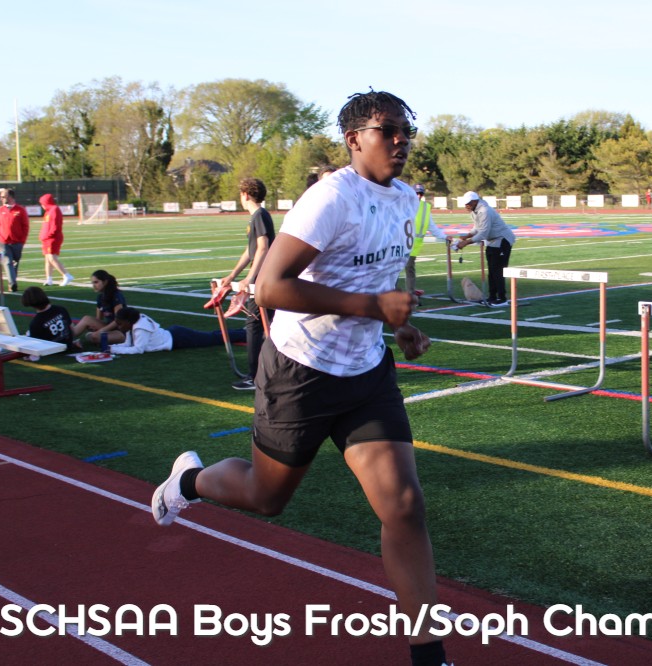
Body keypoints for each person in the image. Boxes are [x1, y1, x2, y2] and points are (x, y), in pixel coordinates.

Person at [152, 90, 450, 666]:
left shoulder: (405, 199)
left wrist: (400, 325)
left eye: (406, 132)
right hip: (301, 371)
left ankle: (429, 657)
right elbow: (269, 287)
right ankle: (188, 482)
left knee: (404, 506)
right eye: (387, 130)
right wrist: (373, 307)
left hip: (366, 372)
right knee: (267, 498)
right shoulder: (330, 198)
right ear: (354, 139)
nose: (401, 141)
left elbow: (380, 277)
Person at [217, 178, 276, 390]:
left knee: (255, 326)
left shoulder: (259, 215)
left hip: (262, 280)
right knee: (262, 325)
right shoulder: (257, 217)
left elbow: (263, 247)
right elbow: (250, 251)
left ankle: (255, 377)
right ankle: (264, 373)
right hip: (261, 277)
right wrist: (232, 275)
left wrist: (249, 278)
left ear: (245, 194)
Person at [454, 192, 516, 305]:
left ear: (474, 201)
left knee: (498, 270)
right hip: (492, 241)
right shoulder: (475, 211)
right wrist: (467, 236)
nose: (466, 206)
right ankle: (492, 296)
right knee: (491, 271)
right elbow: (477, 228)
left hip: (502, 240)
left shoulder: (485, 211)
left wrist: (466, 242)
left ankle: (502, 298)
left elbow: (483, 233)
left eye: (468, 203)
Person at [108, 306, 244, 354]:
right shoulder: (134, 325)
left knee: (212, 338)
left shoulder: (140, 329)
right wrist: (111, 348)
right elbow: (128, 344)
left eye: (120, 324)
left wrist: (113, 350)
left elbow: (138, 349)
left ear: (128, 322)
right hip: (175, 334)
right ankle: (242, 331)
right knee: (211, 336)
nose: (119, 327)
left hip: (179, 338)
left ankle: (244, 333)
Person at [402, 184, 447, 295]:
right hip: (400, 243)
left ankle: (410, 293)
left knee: (409, 269)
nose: (418, 196)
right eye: (416, 193)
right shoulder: (403, 205)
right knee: (393, 269)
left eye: (420, 194)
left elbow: (432, 227)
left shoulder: (425, 208)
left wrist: (445, 237)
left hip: (413, 246)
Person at [71, 269, 127, 346]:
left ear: (105, 282)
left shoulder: (116, 296)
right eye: (93, 283)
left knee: (93, 336)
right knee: (87, 319)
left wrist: (101, 330)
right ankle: (66, 337)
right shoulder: (100, 297)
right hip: (109, 328)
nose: (94, 286)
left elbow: (118, 320)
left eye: (96, 282)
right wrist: (93, 327)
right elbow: (98, 319)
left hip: (120, 331)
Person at [0, 188, 30, 293]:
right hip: (3, 241)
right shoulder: (0, 210)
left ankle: (13, 281)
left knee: (15, 262)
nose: (1, 199)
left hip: (17, 242)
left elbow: (25, 226)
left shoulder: (20, 210)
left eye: (3, 197)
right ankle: (12, 283)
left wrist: (22, 240)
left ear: (10, 197)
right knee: (8, 261)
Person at [20, 286, 79, 351]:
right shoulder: (61, 309)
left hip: (53, 351)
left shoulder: (36, 323)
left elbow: (35, 345)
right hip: (69, 344)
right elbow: (71, 329)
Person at [38, 194, 74, 287]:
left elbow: (55, 226)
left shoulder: (54, 209)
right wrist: (43, 235)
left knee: (52, 258)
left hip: (53, 238)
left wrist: (48, 235)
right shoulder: (48, 211)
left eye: (42, 203)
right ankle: (49, 279)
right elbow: (46, 225)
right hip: (47, 238)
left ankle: (66, 275)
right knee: (47, 259)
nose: (42, 205)